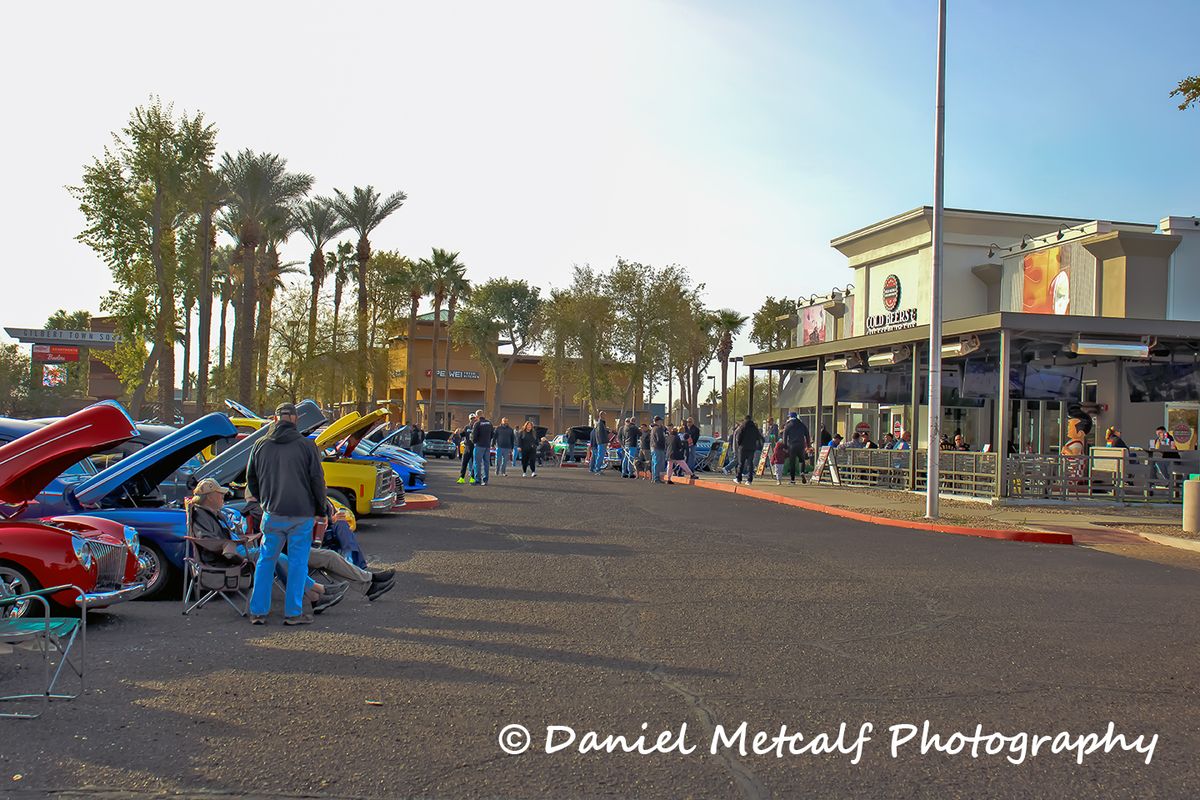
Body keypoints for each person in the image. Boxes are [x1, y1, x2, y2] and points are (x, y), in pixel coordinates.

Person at [246, 403, 329, 625]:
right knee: (297, 563)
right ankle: (294, 612)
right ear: (295, 419)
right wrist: (321, 509)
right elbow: (317, 481)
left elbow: (251, 480)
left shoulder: (260, 445)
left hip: (272, 512)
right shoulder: (306, 446)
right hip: (301, 513)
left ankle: (258, 611)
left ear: (275, 419)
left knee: (266, 561)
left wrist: (264, 500)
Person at [782, 412, 811, 486]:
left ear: (790, 417)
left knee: (792, 462)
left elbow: (784, 437)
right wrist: (808, 446)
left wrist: (785, 447)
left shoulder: (788, 425)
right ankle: (802, 472)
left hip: (792, 445)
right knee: (802, 459)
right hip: (801, 445)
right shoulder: (802, 425)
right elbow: (807, 435)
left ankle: (792, 480)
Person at [734, 415, 763, 485]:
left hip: (743, 447)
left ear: (745, 419)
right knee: (750, 464)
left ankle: (739, 479)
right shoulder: (754, 427)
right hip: (752, 448)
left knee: (741, 463)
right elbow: (758, 437)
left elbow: (739, 437)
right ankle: (749, 480)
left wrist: (739, 445)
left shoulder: (742, 426)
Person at [472, 410, 494, 486]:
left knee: (477, 463)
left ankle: (478, 480)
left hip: (479, 445)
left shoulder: (477, 424)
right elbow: (492, 434)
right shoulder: (489, 423)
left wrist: (474, 442)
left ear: (477, 416)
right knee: (486, 463)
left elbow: (474, 436)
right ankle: (485, 480)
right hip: (487, 446)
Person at [457, 414, 476, 484]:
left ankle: (472, 478)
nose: (472, 420)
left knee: (474, 463)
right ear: (469, 419)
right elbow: (462, 435)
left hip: (474, 447)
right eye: (471, 419)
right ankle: (461, 478)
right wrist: (459, 432)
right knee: (464, 463)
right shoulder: (467, 427)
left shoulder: (476, 426)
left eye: (474, 418)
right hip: (467, 447)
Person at [650, 415, 668, 483]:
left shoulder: (653, 428)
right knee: (658, 463)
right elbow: (660, 438)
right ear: (658, 421)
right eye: (661, 421)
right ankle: (656, 478)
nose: (662, 422)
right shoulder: (658, 429)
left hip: (653, 447)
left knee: (654, 462)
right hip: (658, 447)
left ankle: (654, 478)